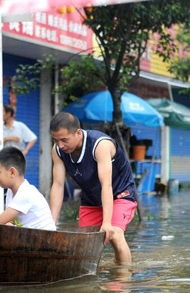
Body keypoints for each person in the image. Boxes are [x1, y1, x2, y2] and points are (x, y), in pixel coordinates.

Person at [49, 112, 137, 264]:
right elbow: (57, 185)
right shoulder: (57, 151)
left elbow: (106, 184)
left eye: (64, 140)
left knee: (114, 234)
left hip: (119, 194)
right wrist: (50, 223)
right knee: (87, 243)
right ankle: (94, 283)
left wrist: (107, 222)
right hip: (91, 198)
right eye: (56, 140)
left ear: (77, 133)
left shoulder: (100, 145)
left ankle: (123, 280)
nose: (60, 145)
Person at [0, 146, 56, 230]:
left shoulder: (26, 193)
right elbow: (8, 221)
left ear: (12, 172)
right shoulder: (10, 192)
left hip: (46, 239)